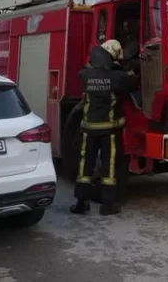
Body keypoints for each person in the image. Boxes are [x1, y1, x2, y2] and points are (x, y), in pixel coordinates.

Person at [71, 39, 138, 216]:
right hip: (110, 131)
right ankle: (108, 205)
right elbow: (133, 82)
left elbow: (85, 72)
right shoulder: (118, 77)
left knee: (85, 165)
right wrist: (126, 67)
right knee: (109, 166)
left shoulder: (85, 75)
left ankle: (81, 203)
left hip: (89, 129)